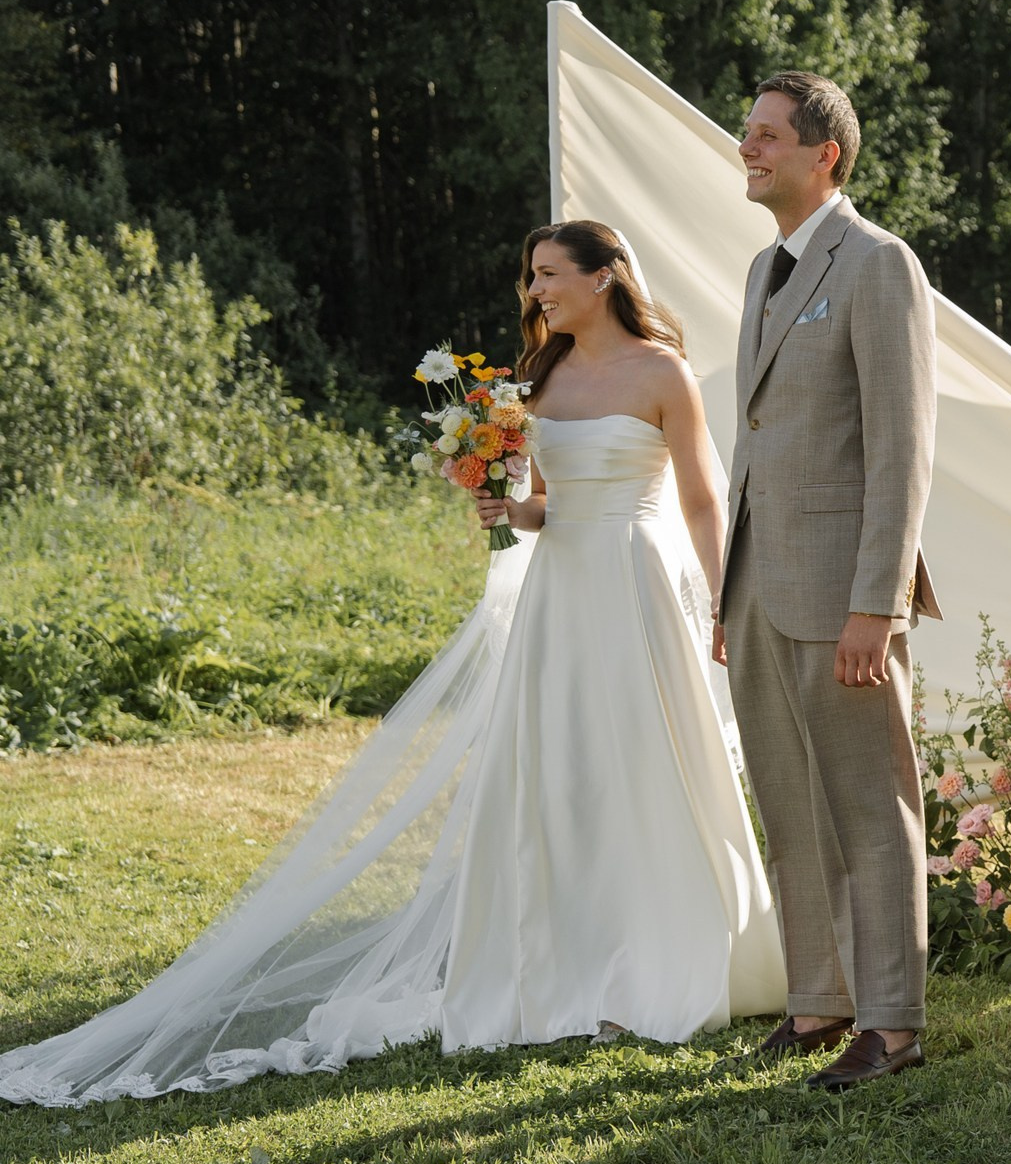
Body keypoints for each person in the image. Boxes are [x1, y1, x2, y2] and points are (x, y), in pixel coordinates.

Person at [0, 222, 785, 1107]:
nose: (535, 292)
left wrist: (721, 601)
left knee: (646, 765)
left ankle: (667, 961)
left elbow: (702, 495)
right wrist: (507, 508)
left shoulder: (662, 372)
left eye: (551, 275)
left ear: (605, 278)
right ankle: (568, 964)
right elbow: (542, 505)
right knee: (560, 773)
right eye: (531, 277)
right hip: (561, 590)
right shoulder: (540, 377)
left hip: (637, 580)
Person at [716, 70, 941, 1091]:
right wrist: (732, 592)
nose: (747, 149)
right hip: (762, 585)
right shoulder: (767, 267)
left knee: (866, 802)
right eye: (746, 134)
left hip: (844, 591)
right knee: (790, 798)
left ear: (825, 157)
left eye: (766, 136)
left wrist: (877, 604)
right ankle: (820, 1000)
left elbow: (902, 450)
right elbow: (762, 441)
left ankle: (891, 1025)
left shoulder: (879, 265)